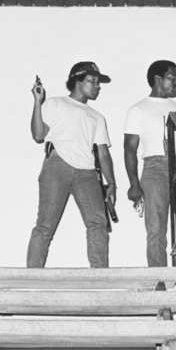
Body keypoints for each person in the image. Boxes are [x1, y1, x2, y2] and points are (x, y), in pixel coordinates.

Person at [27, 61, 117, 268]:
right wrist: (37, 102)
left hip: (87, 173)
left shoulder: (97, 117)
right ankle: (32, 275)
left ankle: (100, 275)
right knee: (45, 225)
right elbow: (38, 135)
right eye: (92, 81)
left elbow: (103, 153)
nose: (97, 86)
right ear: (77, 81)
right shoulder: (54, 104)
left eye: (98, 82)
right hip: (57, 166)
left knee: (98, 223)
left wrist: (111, 182)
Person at [123, 60, 176, 267]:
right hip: (155, 165)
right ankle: (158, 275)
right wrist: (134, 183)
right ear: (157, 79)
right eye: (172, 78)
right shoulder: (138, 109)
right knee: (156, 225)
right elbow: (129, 148)